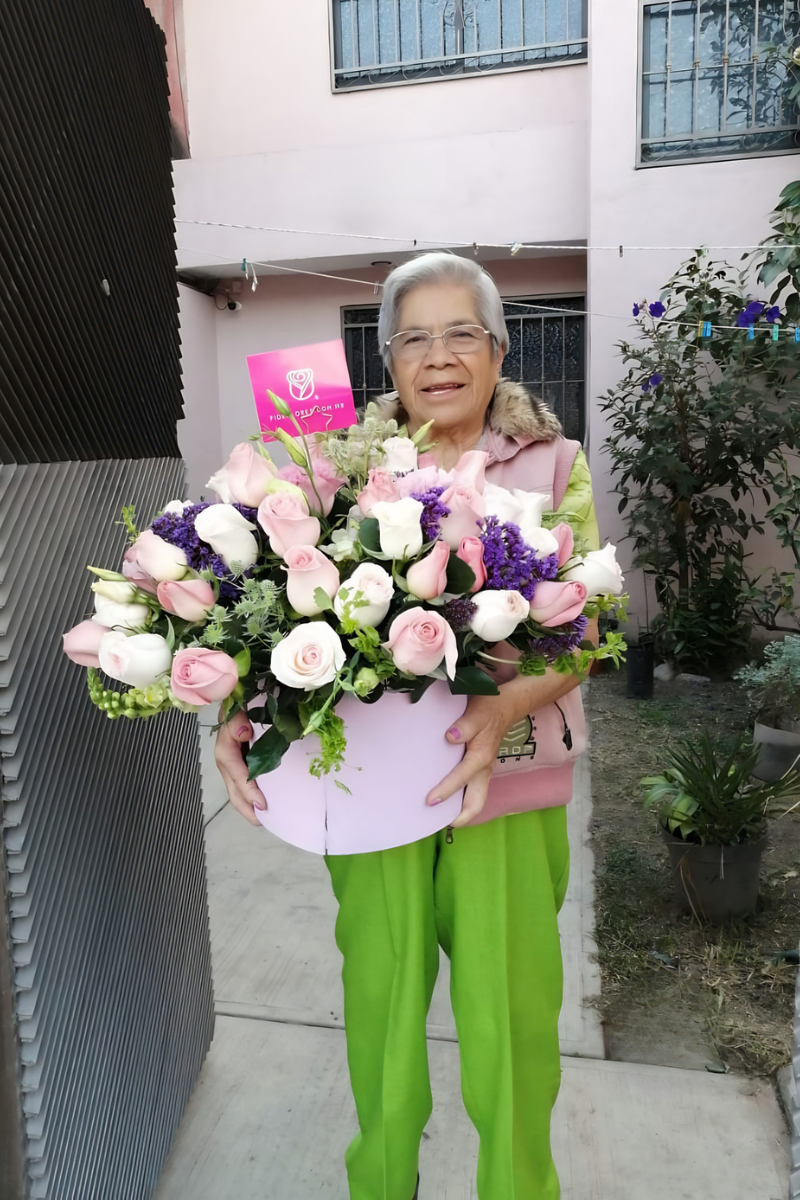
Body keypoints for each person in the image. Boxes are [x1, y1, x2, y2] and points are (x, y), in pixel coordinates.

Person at [215, 253, 600, 1200]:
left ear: (499, 350)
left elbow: (587, 632)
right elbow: (263, 608)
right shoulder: (336, 469)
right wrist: (235, 707)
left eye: (462, 332)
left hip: (504, 786)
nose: (438, 356)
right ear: (386, 359)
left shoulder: (554, 464)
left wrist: (504, 705)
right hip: (371, 788)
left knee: (508, 1020)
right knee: (381, 1010)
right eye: (414, 337)